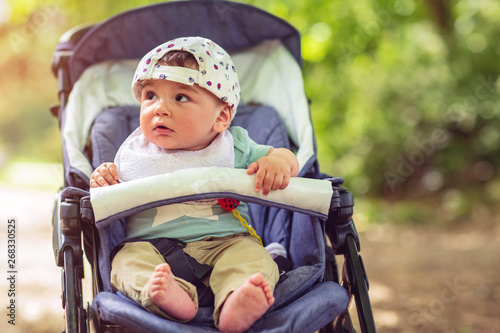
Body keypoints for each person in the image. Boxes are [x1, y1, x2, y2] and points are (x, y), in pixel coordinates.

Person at [90, 36, 299, 333]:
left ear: (221, 117)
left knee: (252, 258)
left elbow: (287, 159)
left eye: (181, 97)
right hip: (151, 249)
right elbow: (105, 194)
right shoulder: (134, 154)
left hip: (226, 242)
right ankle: (166, 294)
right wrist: (102, 177)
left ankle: (236, 300)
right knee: (125, 261)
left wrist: (278, 162)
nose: (159, 108)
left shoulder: (235, 147)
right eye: (150, 95)